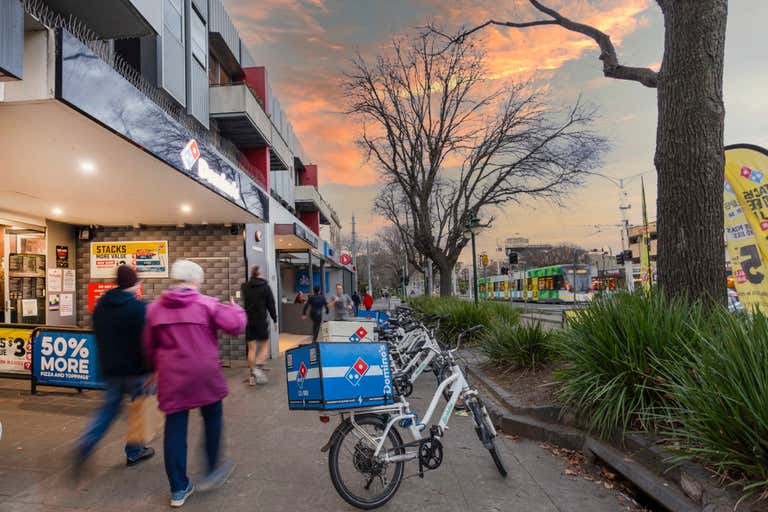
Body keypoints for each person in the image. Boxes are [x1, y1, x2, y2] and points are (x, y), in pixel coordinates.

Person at [144, 259, 246, 508]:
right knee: (212, 418)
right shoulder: (206, 304)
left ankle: (178, 489)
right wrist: (236, 309)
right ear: (196, 280)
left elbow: (147, 347)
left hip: (172, 377)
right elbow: (236, 326)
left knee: (175, 429)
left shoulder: (155, 309)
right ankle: (212, 470)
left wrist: (151, 371)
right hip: (205, 375)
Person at [75, 265, 154, 473]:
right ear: (135, 284)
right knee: (139, 409)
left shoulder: (101, 306)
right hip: (136, 371)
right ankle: (135, 451)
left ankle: (87, 442)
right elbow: (147, 341)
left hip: (110, 370)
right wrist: (151, 368)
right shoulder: (139, 308)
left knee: (108, 409)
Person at [241, 266, 278, 386]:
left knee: (251, 349)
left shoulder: (245, 287)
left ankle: (252, 377)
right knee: (264, 346)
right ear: (260, 274)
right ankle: (258, 367)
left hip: (249, 321)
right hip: (261, 321)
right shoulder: (265, 287)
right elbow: (271, 304)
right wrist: (275, 319)